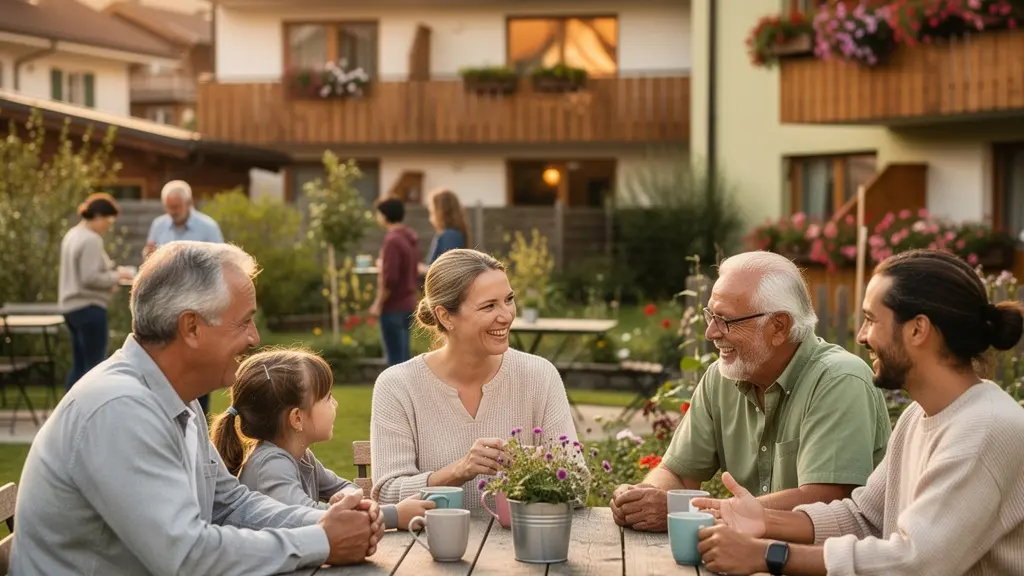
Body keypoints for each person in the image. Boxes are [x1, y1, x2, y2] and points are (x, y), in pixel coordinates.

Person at [11, 241, 384, 575]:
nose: (254, 338)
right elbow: (186, 556)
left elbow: (231, 505)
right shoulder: (120, 409)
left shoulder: (175, 398)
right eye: (244, 322)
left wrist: (333, 521)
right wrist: (322, 541)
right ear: (191, 327)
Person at [694, 249, 1024, 576]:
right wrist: (764, 519)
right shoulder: (917, 418)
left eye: (871, 319)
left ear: (917, 330)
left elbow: (915, 561)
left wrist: (769, 555)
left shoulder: (985, 429)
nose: (862, 336)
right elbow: (864, 518)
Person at [611, 251, 890, 532]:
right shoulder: (721, 378)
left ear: (778, 327)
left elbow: (825, 500)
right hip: (746, 557)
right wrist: (643, 499)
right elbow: (678, 475)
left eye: (725, 320)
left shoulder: (839, 380)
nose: (710, 332)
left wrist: (688, 510)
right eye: (710, 315)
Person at [370, 248, 585, 512]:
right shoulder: (397, 385)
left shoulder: (540, 376)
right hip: (430, 549)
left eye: (509, 299)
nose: (506, 315)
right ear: (445, 316)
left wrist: (529, 461)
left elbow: (578, 485)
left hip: (521, 546)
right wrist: (458, 471)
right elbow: (387, 495)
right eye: (489, 306)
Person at [212, 347, 435, 529]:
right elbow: (310, 519)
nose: (335, 403)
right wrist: (394, 515)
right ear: (297, 418)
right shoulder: (270, 465)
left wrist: (344, 496)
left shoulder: (302, 457)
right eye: (327, 397)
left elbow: (344, 486)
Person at [143, 179, 224, 414]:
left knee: (198, 360)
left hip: (198, 305)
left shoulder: (207, 227)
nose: (172, 212)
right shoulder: (159, 225)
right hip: (166, 306)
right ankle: (169, 415)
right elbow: (149, 261)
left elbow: (219, 265)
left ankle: (199, 417)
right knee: (171, 362)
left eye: (176, 207)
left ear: (188, 202)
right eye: (169, 207)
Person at [58, 193, 134, 390]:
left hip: (71, 309)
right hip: (89, 308)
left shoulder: (72, 234)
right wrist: (116, 277)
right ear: (98, 216)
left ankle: (69, 415)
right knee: (95, 369)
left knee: (79, 366)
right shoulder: (91, 239)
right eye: (108, 221)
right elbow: (90, 277)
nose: (108, 226)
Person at [368, 197, 419, 367]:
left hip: (393, 306)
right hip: (408, 303)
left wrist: (378, 303)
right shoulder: (409, 238)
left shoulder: (392, 241)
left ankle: (396, 394)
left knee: (396, 361)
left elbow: (391, 279)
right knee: (404, 357)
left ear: (384, 215)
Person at [417, 188, 469, 277]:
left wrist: (422, 269)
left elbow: (447, 270)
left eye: (432, 211)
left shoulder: (450, 235)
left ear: (440, 211)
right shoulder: (452, 233)